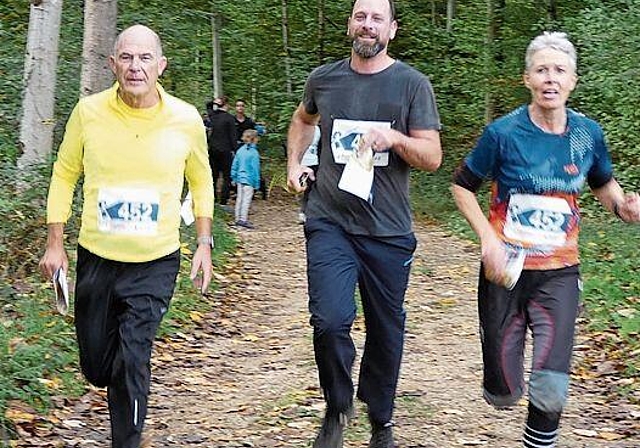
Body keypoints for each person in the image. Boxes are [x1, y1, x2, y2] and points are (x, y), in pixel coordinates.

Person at [451, 31, 640, 448]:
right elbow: (462, 186)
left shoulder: (587, 134)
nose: (550, 78)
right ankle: (502, 386)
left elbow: (603, 183)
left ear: (573, 80)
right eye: (542, 70)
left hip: (559, 272)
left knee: (551, 385)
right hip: (505, 273)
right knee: (502, 389)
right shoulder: (502, 133)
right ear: (527, 79)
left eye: (559, 70)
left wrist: (623, 207)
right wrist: (488, 240)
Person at [38, 25, 215, 448]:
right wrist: (54, 242)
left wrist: (205, 244)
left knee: (133, 357)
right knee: (99, 366)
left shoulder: (186, 119)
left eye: (145, 58)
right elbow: (64, 174)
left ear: (161, 66)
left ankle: (127, 440)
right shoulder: (89, 112)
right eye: (127, 58)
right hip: (97, 255)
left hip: (155, 260)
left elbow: (202, 180)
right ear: (112, 63)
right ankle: (110, 377)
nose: (136, 67)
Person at [286, 0, 442, 446]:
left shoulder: (412, 85)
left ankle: (382, 418)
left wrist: (393, 137)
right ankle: (337, 406)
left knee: (385, 326)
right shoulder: (325, 79)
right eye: (360, 16)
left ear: (391, 29)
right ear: (350, 24)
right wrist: (295, 162)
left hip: (388, 230)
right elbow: (303, 118)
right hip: (329, 220)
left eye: (377, 18)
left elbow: (432, 157)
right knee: (330, 321)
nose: (367, 25)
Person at [207, 96, 237, 207]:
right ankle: (223, 201)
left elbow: (208, 105)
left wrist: (214, 102)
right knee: (226, 176)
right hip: (225, 150)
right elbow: (233, 137)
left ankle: (213, 199)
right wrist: (236, 150)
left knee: (213, 176)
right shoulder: (230, 118)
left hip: (213, 150)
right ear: (227, 105)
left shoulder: (213, 116)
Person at [231, 129, 261, 228]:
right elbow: (255, 169)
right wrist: (257, 183)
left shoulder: (240, 151)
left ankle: (237, 218)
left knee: (239, 199)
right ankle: (243, 219)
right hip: (249, 180)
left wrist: (233, 177)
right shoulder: (254, 153)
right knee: (246, 200)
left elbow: (235, 164)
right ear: (254, 139)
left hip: (240, 178)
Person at [297, 124, 321, 224]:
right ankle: (303, 211)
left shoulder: (318, 129)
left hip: (314, 161)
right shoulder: (302, 127)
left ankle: (308, 212)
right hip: (303, 162)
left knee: (311, 188)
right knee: (304, 188)